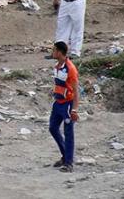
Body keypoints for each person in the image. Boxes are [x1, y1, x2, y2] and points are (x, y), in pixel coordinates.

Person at [49, 40, 80, 173]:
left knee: (68, 133)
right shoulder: (57, 66)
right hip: (58, 103)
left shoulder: (70, 69)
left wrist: (74, 109)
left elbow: (76, 91)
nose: (52, 52)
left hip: (67, 104)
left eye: (54, 50)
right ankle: (65, 156)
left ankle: (69, 163)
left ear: (60, 52)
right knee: (53, 128)